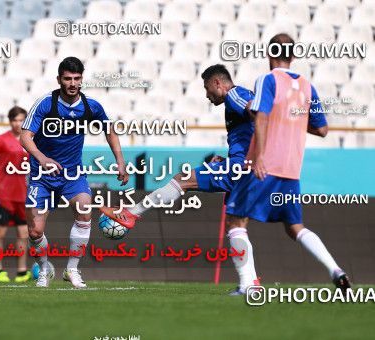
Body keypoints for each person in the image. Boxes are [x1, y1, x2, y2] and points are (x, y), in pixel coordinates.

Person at [225, 33, 351, 295]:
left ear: (270, 54)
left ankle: (248, 285)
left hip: (264, 165)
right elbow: (323, 129)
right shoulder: (308, 86)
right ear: (292, 56)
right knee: (295, 227)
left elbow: (260, 116)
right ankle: (335, 269)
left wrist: (259, 155)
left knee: (237, 221)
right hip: (291, 169)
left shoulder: (267, 80)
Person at [100, 64, 255, 237]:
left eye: (207, 88)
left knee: (183, 179)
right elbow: (251, 132)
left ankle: (132, 213)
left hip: (241, 168)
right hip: (243, 167)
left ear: (217, 82)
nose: (206, 95)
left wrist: (254, 158)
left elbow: (258, 113)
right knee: (236, 226)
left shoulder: (234, 95)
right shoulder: (235, 101)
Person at [20, 56, 129, 288]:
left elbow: (110, 131)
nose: (72, 83)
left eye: (76, 78)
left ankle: (72, 269)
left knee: (84, 211)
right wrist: (42, 157)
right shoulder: (45, 104)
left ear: (81, 80)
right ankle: (44, 269)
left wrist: (120, 160)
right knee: (35, 230)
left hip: (73, 174)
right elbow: (25, 136)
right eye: (67, 78)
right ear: (59, 79)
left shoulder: (91, 106)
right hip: (41, 175)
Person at [0, 106, 31, 283]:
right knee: (0, 232)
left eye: (21, 120)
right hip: (4, 194)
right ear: (10, 121)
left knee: (23, 233)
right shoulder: (1, 140)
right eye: (15, 120)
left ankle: (22, 271)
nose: (18, 124)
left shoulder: (32, 140)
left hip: (25, 195)